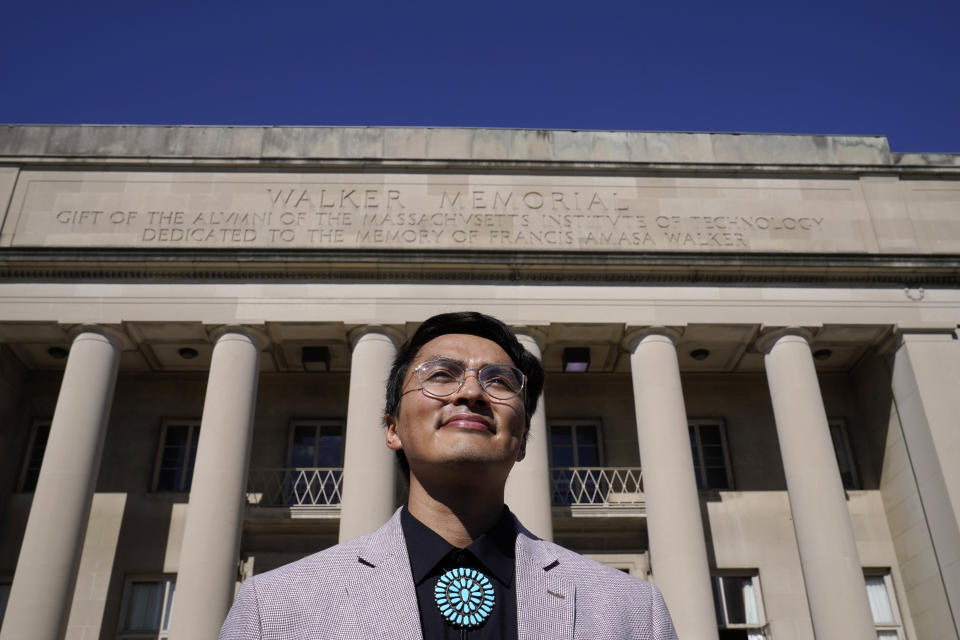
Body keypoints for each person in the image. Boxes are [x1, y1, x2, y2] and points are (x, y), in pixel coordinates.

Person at [220, 311, 678, 640]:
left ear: (522, 441)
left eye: (499, 381)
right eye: (441, 374)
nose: (471, 392)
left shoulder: (634, 613)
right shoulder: (274, 609)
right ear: (393, 428)